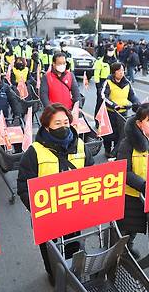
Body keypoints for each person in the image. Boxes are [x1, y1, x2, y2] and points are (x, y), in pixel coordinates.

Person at [16, 103, 94, 282]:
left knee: (74, 240)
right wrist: (38, 207)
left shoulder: (81, 146)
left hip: (74, 209)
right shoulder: (34, 152)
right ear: (46, 126)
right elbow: (23, 186)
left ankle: (73, 270)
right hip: (47, 215)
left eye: (66, 122)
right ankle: (54, 275)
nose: (63, 126)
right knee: (50, 248)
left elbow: (91, 173)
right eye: (57, 123)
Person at [116, 103, 149, 258]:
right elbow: (124, 171)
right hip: (131, 195)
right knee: (127, 227)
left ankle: (138, 249)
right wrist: (143, 185)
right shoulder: (127, 143)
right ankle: (121, 251)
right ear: (139, 124)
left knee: (146, 225)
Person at [101, 62, 140, 157]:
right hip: (111, 112)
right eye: (119, 71)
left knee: (121, 133)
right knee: (109, 133)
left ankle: (116, 151)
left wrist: (137, 103)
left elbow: (132, 95)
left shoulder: (127, 83)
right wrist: (113, 105)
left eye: (123, 70)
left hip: (123, 113)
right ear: (114, 72)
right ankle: (107, 149)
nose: (121, 72)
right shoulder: (108, 82)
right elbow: (103, 96)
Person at [93, 45, 118, 122]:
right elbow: (96, 73)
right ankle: (97, 120)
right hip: (102, 82)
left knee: (111, 102)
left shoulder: (115, 61)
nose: (110, 52)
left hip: (113, 83)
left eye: (112, 51)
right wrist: (98, 85)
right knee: (100, 102)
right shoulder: (100, 61)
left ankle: (108, 120)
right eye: (109, 51)